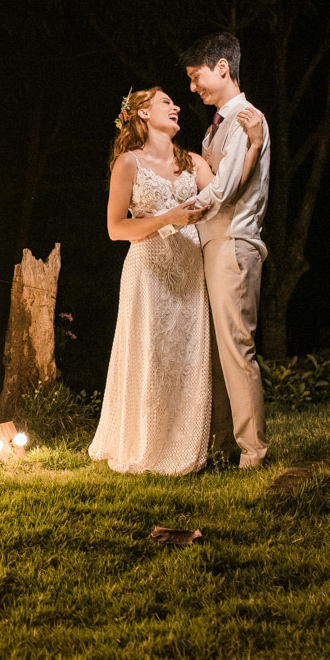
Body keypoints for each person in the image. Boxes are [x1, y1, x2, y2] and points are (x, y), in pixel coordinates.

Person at [89, 87, 262, 475]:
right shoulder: (128, 163)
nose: (177, 106)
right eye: (167, 102)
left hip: (189, 268)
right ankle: (146, 444)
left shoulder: (192, 161)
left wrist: (252, 147)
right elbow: (116, 229)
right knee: (152, 355)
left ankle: (186, 445)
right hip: (148, 269)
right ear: (143, 113)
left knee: (187, 359)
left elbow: (225, 192)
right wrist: (169, 218)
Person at [181, 32, 271, 468]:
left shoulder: (246, 120)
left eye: (196, 77)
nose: (192, 88)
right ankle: (221, 445)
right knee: (217, 349)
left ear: (221, 66)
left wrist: (175, 215)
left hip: (233, 243)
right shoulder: (217, 126)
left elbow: (223, 189)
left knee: (236, 347)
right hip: (215, 243)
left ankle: (253, 451)